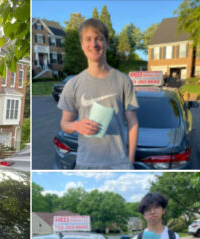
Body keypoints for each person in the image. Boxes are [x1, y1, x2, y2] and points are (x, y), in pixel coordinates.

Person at [58, 18, 139, 169]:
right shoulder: (73, 84)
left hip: (119, 163)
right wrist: (76, 125)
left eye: (99, 39)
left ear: (107, 43)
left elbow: (133, 123)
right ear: (82, 45)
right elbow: (64, 124)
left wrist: (130, 159)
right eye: (88, 39)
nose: (94, 44)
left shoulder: (123, 81)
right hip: (85, 163)